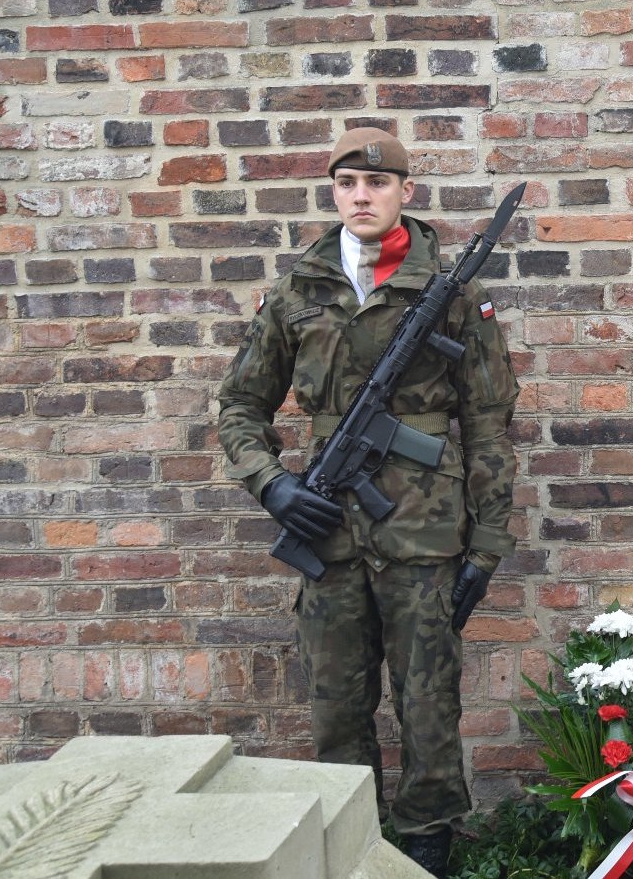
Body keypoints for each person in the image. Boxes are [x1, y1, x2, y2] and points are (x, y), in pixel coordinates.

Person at [217, 127, 520, 876]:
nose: (362, 194)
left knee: (429, 709)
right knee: (336, 710)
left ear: (405, 193)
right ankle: (349, 853)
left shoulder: (452, 294)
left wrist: (487, 544)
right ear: (333, 190)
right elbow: (239, 408)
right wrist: (275, 485)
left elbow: (488, 424)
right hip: (325, 534)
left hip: (424, 536)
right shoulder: (297, 291)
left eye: (378, 183)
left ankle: (426, 853)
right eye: (349, 181)